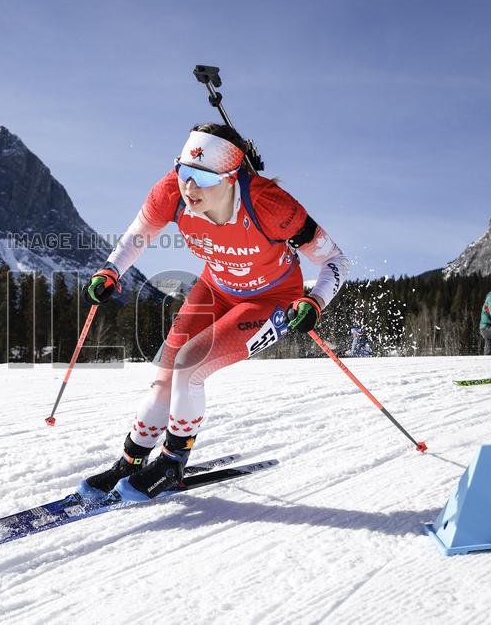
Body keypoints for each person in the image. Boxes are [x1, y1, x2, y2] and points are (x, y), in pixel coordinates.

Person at [78, 123, 350, 503]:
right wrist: (110, 270)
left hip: (271, 301)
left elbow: (336, 260)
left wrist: (315, 301)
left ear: (231, 177)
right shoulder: (170, 193)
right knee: (166, 374)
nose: (189, 188)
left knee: (191, 366)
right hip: (215, 290)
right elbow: (137, 235)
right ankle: (131, 461)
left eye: (202, 178)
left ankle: (172, 463)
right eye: (184, 172)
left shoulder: (271, 206)